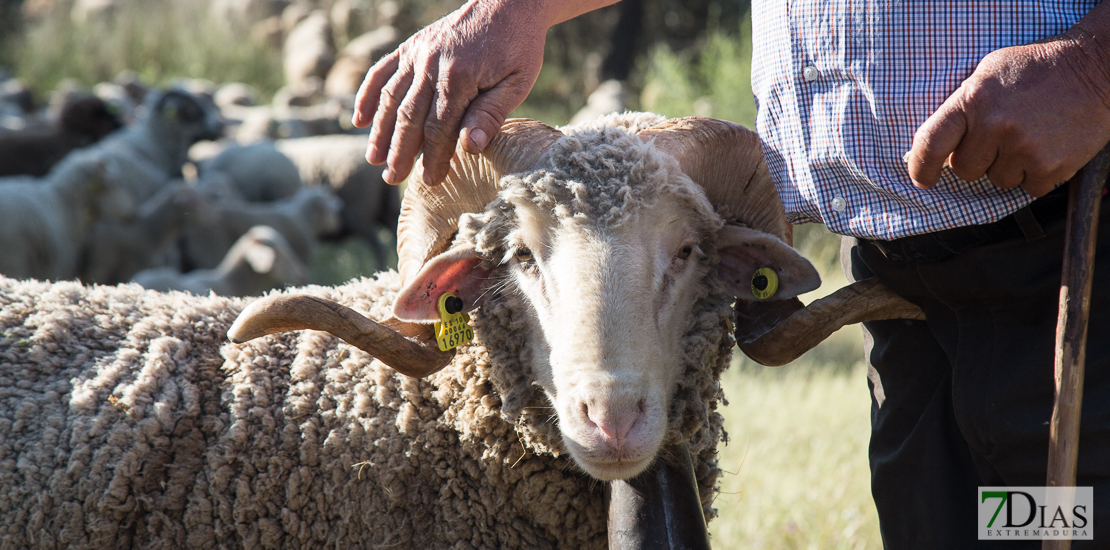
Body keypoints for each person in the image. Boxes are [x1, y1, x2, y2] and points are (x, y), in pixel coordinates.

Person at [351, 1, 1110, 547]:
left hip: (1070, 246)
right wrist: (519, 9)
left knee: (1064, 524)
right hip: (903, 281)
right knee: (951, 527)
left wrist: (1094, 72)